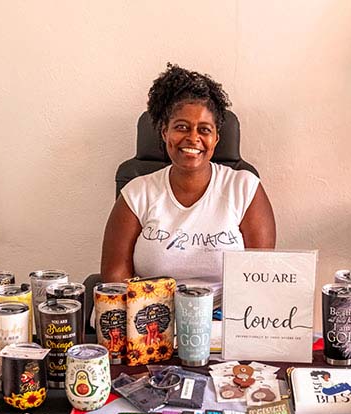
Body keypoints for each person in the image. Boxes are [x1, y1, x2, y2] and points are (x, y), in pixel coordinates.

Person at [100, 64, 276, 293]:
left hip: (224, 313)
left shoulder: (244, 188)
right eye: (182, 127)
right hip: (152, 310)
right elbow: (115, 277)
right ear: (165, 132)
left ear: (216, 138)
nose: (193, 138)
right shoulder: (137, 193)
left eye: (204, 130)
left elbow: (260, 279)